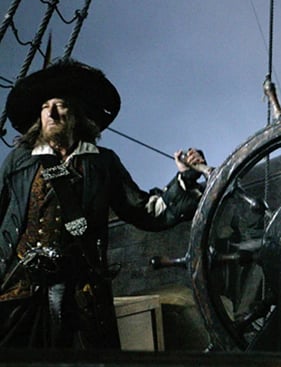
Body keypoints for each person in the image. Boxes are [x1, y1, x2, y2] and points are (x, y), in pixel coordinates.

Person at [0, 57, 207, 349]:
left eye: (61, 105)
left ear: (76, 114)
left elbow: (144, 211)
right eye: (45, 107)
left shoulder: (102, 163)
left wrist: (184, 179)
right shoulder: (19, 162)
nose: (52, 113)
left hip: (79, 295)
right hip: (18, 293)